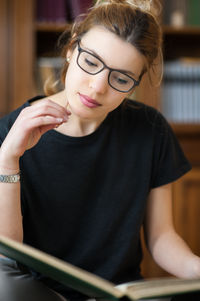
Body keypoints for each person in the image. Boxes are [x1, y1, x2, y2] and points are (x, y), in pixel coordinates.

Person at [0, 0, 200, 300]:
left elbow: (162, 238)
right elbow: (7, 255)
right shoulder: (12, 131)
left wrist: (196, 269)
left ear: (135, 83)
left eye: (120, 79)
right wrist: (8, 160)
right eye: (91, 63)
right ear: (71, 49)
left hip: (118, 293)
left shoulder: (150, 129)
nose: (97, 88)